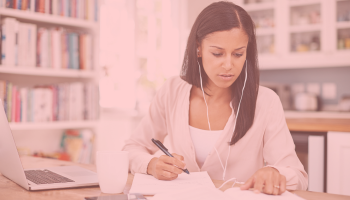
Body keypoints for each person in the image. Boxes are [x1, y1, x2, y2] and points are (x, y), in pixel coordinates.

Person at [122, 1, 308, 195]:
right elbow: (131, 148)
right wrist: (150, 164)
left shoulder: (266, 101)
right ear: (198, 49)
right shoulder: (172, 91)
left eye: (238, 54)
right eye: (217, 53)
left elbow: (298, 175)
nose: (228, 65)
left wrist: (275, 172)